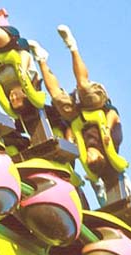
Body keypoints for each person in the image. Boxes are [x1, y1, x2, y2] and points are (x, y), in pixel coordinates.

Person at [29, 37, 125, 188]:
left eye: (88, 159)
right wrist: (106, 128)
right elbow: (114, 114)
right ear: (101, 156)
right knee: (83, 86)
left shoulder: (84, 148)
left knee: (57, 97)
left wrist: (69, 139)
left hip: (76, 116)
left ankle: (41, 59)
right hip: (96, 106)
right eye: (92, 157)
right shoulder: (112, 142)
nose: (88, 156)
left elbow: (72, 131)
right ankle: (72, 46)